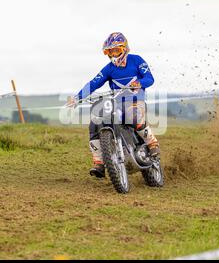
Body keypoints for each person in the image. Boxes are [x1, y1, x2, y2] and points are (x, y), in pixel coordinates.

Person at [68, 32, 160, 178]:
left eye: (116, 50)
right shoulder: (109, 68)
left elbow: (150, 78)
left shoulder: (136, 60)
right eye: (110, 52)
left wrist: (139, 83)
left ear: (124, 49)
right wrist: (77, 97)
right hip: (116, 103)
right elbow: (93, 83)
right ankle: (99, 163)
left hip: (136, 102)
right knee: (95, 123)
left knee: (133, 116)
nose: (113, 54)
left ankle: (152, 143)